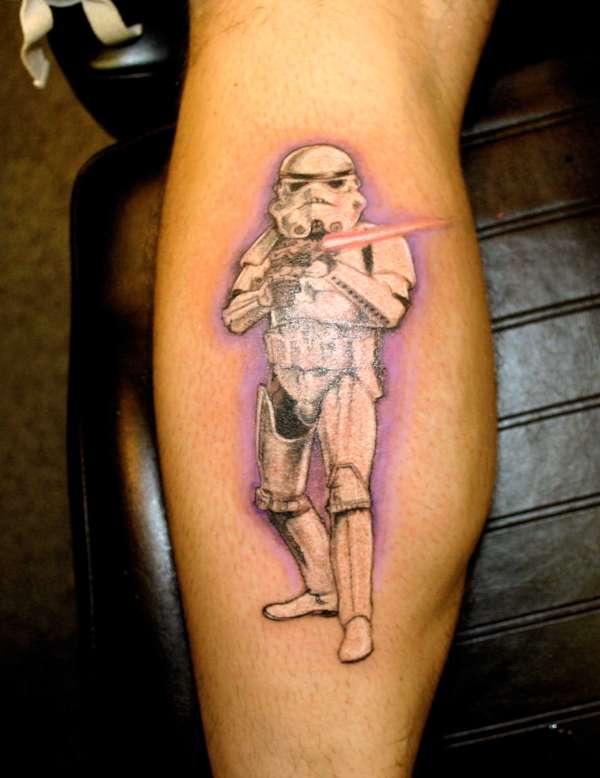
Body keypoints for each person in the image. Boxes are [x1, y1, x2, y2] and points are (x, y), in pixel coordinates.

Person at [154, 1, 498, 775]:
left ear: (352, 195)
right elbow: (232, 317)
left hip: (346, 377)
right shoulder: (268, 244)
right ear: (280, 198)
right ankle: (319, 587)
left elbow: (394, 311)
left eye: (330, 185)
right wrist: (267, 283)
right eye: (298, 188)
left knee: (348, 493)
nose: (313, 202)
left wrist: (336, 271)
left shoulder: (375, 243)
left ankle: (358, 617)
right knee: (279, 498)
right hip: (284, 380)